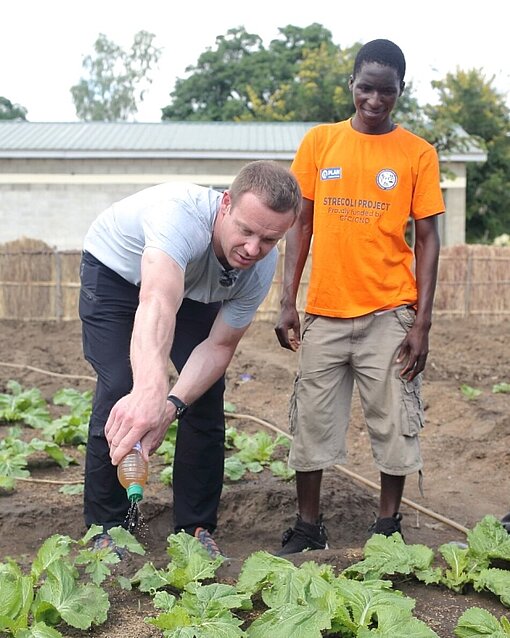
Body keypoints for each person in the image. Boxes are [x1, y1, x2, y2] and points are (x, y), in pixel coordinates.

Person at [79, 160, 301, 558]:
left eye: (269, 239)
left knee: (205, 394)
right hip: (118, 275)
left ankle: (195, 527)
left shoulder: (257, 267)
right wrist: (149, 389)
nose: (254, 248)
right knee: (121, 387)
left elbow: (218, 347)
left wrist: (171, 405)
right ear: (226, 204)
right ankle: (106, 527)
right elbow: (158, 301)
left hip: (196, 290)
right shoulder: (178, 216)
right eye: (246, 231)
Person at [274, 39, 445, 554]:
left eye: (386, 91)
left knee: (395, 420)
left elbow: (429, 237)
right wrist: (288, 300)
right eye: (365, 87)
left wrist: (422, 322)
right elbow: (300, 223)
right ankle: (309, 526)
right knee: (311, 421)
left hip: (390, 312)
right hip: (325, 310)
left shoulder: (417, 153)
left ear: (400, 91)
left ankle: (388, 527)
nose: (374, 100)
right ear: (351, 84)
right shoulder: (320, 143)